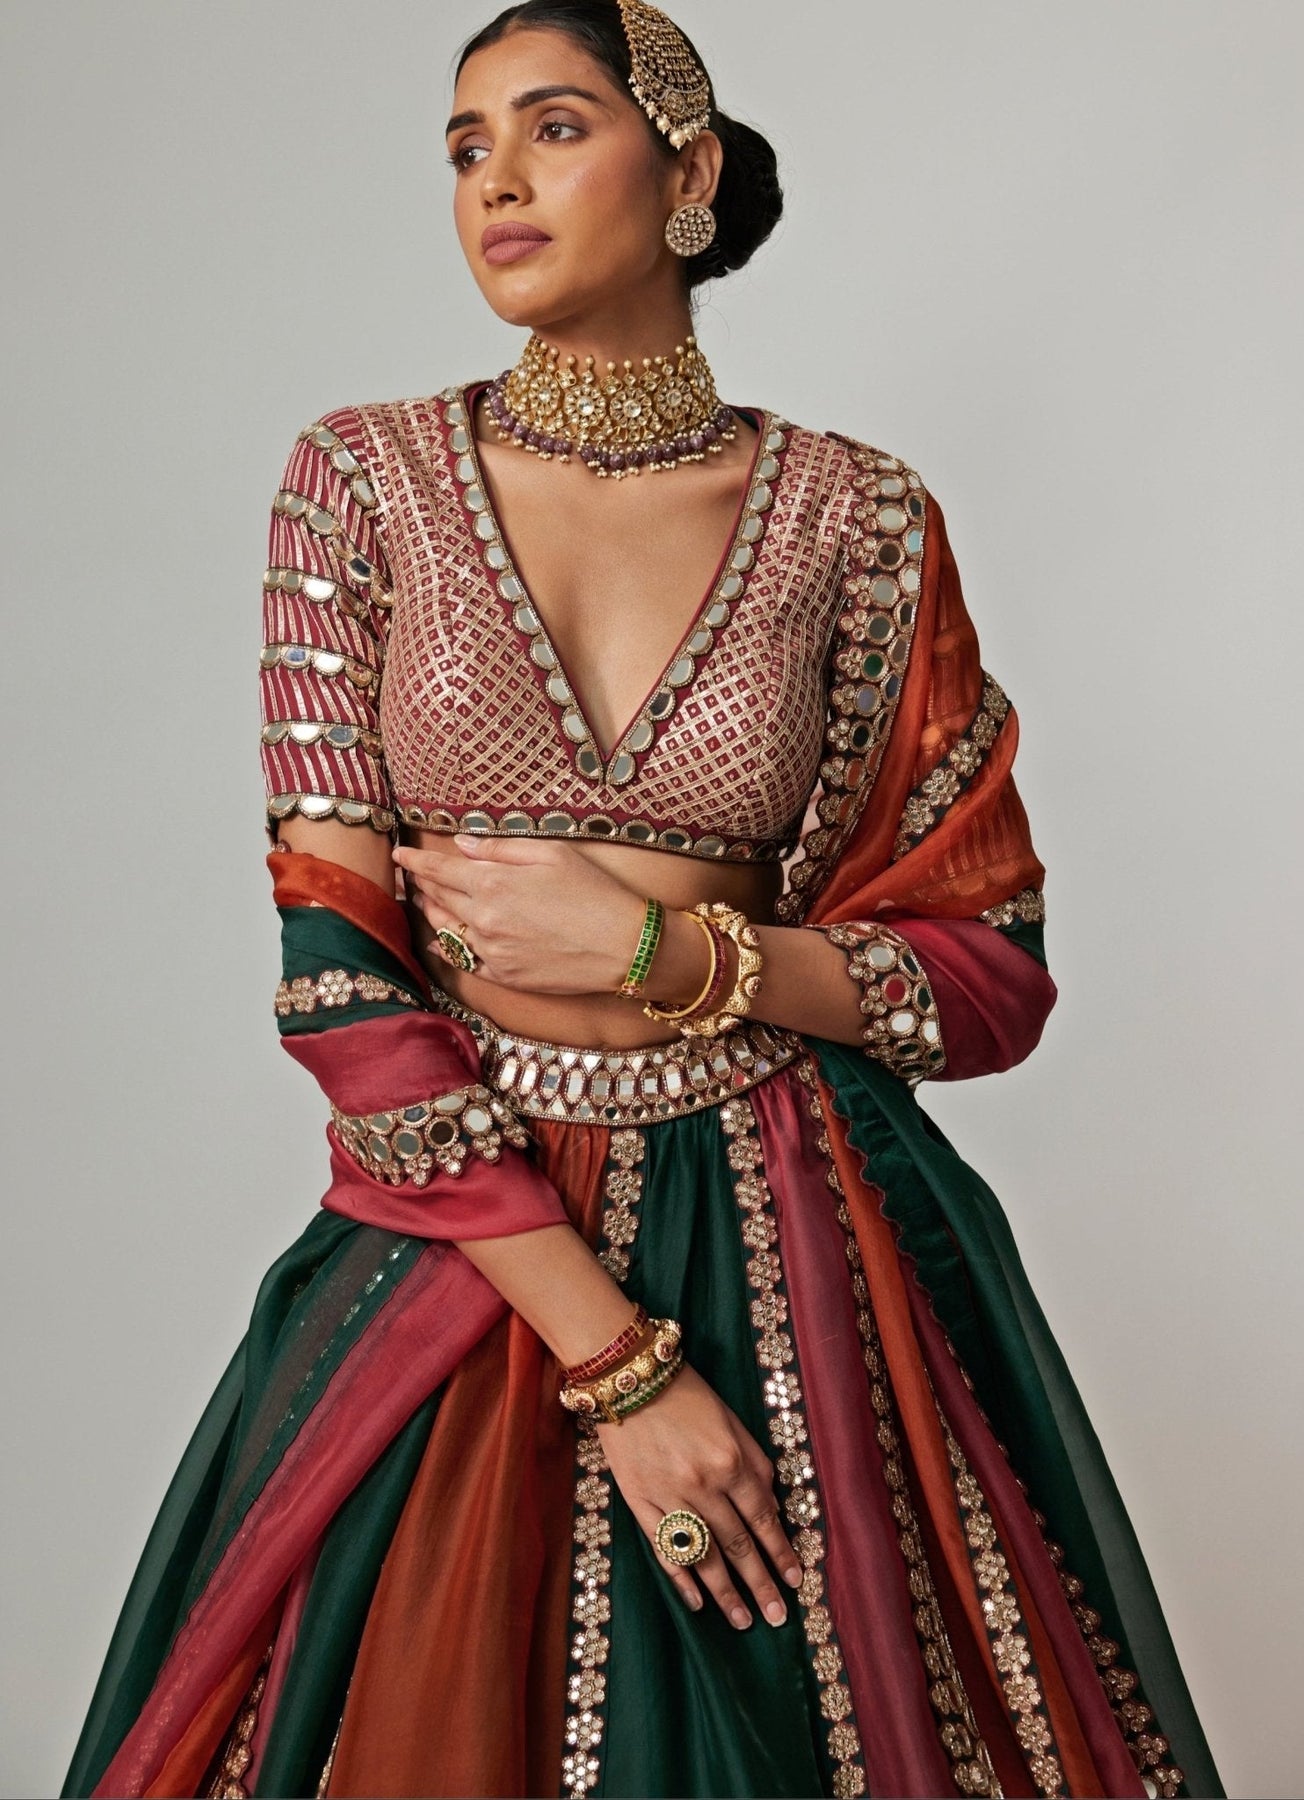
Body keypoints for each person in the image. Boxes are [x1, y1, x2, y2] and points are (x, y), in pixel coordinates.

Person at [63, 4, 1224, 1797]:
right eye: (466, 147)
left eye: (553, 127)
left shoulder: (858, 519)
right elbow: (340, 984)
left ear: (686, 170)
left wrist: (664, 952)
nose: (497, 182)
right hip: (471, 1241)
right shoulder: (360, 482)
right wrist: (622, 1373)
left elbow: (985, 977)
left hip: (799, 1226)